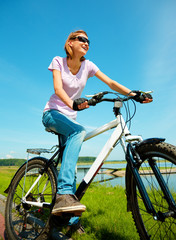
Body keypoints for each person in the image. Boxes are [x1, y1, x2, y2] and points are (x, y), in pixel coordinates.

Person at [42, 30, 152, 230]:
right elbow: (58, 89)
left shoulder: (88, 65)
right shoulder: (58, 60)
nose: (86, 43)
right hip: (53, 113)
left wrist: (134, 93)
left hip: (70, 118)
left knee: (72, 169)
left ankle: (71, 220)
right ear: (70, 43)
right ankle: (63, 194)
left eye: (88, 41)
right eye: (82, 40)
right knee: (79, 131)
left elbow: (110, 82)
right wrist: (72, 104)